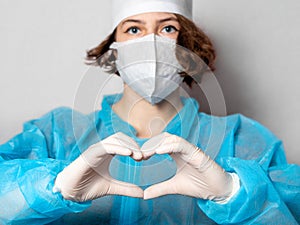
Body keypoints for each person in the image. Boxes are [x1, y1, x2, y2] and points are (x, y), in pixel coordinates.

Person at [0, 0, 299, 224]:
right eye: (134, 29)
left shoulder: (242, 139)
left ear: (186, 45)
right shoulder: (56, 133)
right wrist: (52, 188)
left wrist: (236, 192)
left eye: (167, 28)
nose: (151, 43)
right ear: (113, 48)